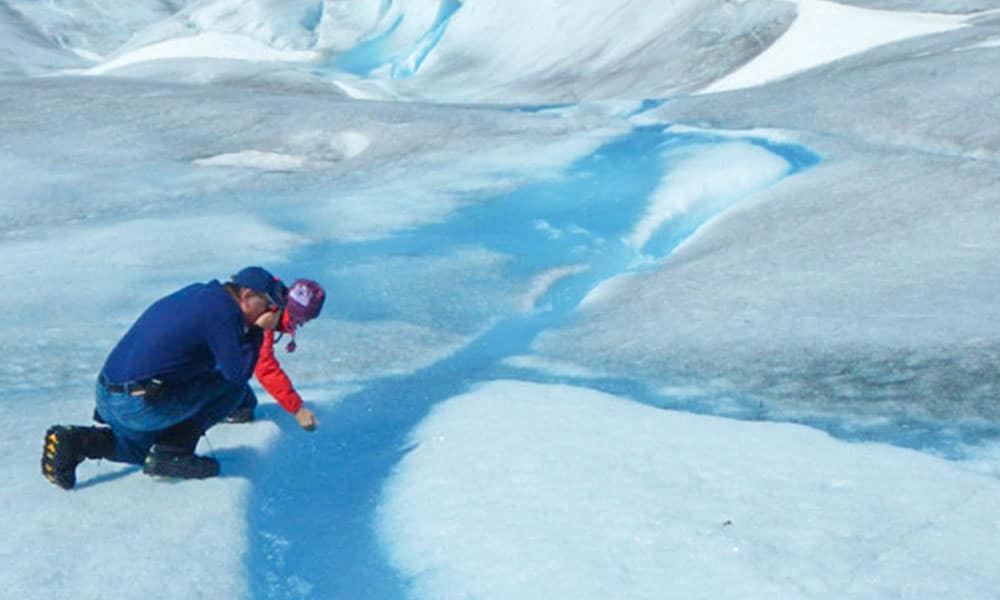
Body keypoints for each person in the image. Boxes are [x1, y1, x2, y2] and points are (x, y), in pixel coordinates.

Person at [41, 266, 286, 490]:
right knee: (232, 391)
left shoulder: (203, 295)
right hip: (137, 404)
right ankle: (174, 452)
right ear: (246, 295)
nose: (268, 312)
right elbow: (238, 374)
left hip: (110, 395)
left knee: (142, 453)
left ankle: (76, 441)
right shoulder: (223, 313)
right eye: (266, 304)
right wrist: (257, 330)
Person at [226, 278, 326, 430]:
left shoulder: (271, 301)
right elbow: (264, 367)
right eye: (300, 318)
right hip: (200, 362)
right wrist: (298, 409)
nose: (301, 324)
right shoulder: (266, 313)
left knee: (245, 401)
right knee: (238, 401)